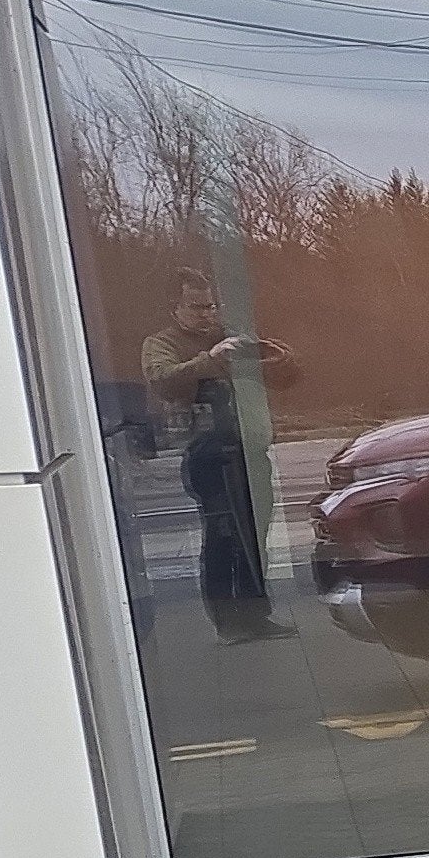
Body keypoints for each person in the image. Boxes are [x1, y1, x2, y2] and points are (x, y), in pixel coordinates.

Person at [139, 272, 297, 645]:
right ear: (174, 308)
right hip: (209, 456)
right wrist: (208, 360)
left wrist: (272, 355)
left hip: (250, 452)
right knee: (223, 537)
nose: (207, 314)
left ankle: (256, 614)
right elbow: (163, 380)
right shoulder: (161, 344)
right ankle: (227, 621)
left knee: (255, 534)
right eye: (196, 307)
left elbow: (287, 377)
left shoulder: (230, 337)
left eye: (210, 306)